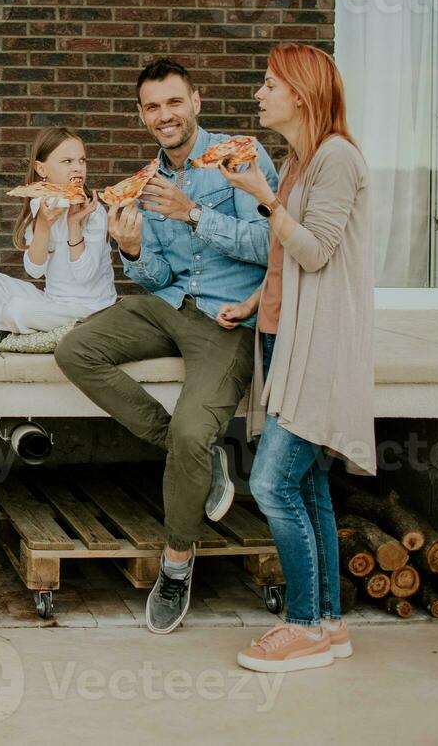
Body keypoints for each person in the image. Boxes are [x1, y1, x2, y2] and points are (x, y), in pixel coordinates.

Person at [54, 58, 278, 634]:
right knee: (75, 351)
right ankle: (202, 465)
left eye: (174, 102)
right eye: (152, 107)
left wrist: (195, 213)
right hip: (167, 304)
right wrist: (131, 251)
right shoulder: (144, 182)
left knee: (188, 431)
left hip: (226, 318)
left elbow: (274, 243)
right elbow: (155, 276)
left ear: (196, 102)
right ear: (142, 115)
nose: (164, 116)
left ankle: (177, 564)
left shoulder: (239, 156)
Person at [214, 45, 374, 672]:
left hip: (319, 349)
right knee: (308, 485)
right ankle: (330, 624)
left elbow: (314, 251)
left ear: (301, 95)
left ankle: (303, 626)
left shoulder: (336, 158)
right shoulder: (299, 159)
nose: (259, 93)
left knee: (271, 484)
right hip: (283, 338)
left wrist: (261, 197)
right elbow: (286, 264)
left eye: (268, 83)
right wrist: (255, 301)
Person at [0, 126, 116, 350]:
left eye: (82, 160)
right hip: (53, 303)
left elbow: (84, 274)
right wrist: (43, 224)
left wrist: (73, 224)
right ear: (42, 169)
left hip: (90, 311)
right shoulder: (40, 205)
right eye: (67, 161)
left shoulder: (94, 212)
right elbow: (35, 270)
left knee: (16, 310)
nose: (78, 168)